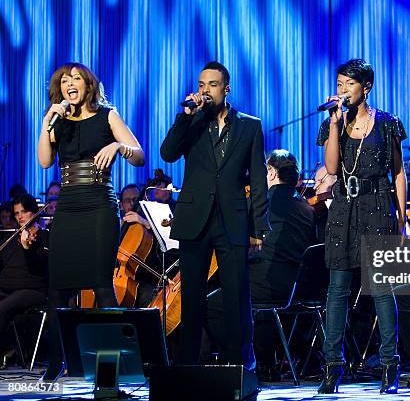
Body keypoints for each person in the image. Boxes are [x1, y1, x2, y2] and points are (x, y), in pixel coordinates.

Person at [160, 61, 268, 383]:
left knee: (236, 298)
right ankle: (187, 370)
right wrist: (185, 116)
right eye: (201, 84)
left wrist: (259, 226)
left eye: (212, 84)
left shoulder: (250, 126)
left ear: (226, 88)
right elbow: (167, 153)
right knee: (191, 299)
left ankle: (239, 370)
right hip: (195, 220)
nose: (205, 90)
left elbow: (259, 179)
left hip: (232, 221)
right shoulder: (192, 123)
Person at [37, 62, 144, 380]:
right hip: (68, 209)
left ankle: (113, 367)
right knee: (58, 290)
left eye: (77, 79)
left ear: (88, 85)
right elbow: (44, 162)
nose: (70, 83)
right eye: (64, 80)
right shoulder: (59, 122)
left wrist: (117, 145)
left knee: (101, 286)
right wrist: (46, 122)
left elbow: (139, 154)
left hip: (99, 206)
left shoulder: (107, 115)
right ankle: (56, 363)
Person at [316, 59, 407, 394]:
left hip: (379, 205)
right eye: (339, 84)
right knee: (337, 290)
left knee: (381, 290)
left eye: (348, 84)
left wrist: (402, 218)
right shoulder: (333, 122)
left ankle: (389, 365)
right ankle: (332, 367)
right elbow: (330, 167)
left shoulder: (387, 123)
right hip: (344, 206)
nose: (342, 90)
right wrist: (336, 124)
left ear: (365, 87)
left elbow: (397, 172)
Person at [204, 149, 316, 377]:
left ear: (272, 172)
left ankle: (238, 363)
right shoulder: (306, 207)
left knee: (208, 304)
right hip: (295, 287)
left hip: (267, 283)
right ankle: (263, 361)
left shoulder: (261, 202)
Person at [0, 194, 48, 366]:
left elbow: (40, 267)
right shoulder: (10, 238)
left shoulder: (42, 237)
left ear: (34, 212)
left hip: (33, 290)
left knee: (2, 308)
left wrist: (28, 248)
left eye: (24, 211)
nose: (20, 216)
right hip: (9, 288)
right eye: (17, 213)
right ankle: (6, 350)